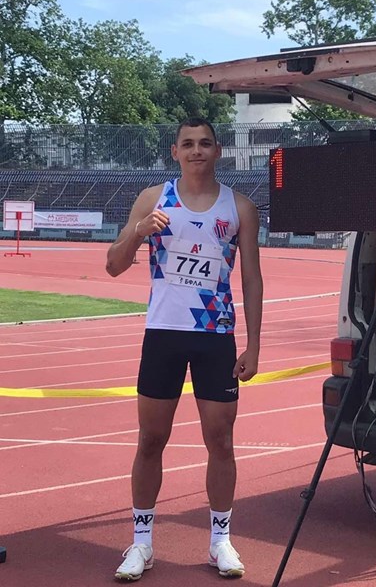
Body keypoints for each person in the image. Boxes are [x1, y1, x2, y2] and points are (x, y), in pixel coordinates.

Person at [106, 117, 263, 581]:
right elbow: (113, 265)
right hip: (164, 334)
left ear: (218, 151)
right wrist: (139, 231)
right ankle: (141, 543)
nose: (197, 151)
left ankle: (220, 541)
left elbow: (252, 278)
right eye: (188, 144)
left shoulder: (239, 207)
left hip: (215, 335)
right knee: (151, 439)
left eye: (205, 143)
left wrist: (254, 345)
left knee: (221, 440)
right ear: (174, 152)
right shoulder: (153, 199)